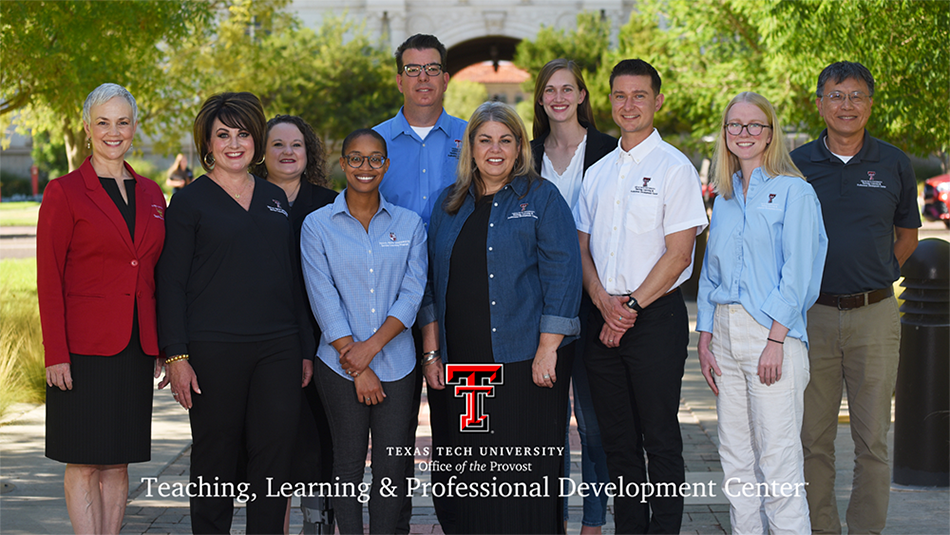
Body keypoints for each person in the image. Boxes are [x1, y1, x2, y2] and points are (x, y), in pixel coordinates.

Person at [421, 101, 582, 535]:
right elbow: (430, 285)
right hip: (464, 370)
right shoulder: (447, 204)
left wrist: (548, 349)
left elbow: (563, 274)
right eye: (485, 139)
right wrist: (432, 354)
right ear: (470, 148)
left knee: (524, 476)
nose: (495, 149)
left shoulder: (541, 198)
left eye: (505, 140)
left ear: (519, 148)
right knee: (468, 478)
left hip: (526, 363)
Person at [157, 92, 309, 534]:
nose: (234, 143)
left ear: (257, 140)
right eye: (223, 134)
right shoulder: (188, 202)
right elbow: (170, 284)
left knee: (274, 458)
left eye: (243, 133)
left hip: (277, 349)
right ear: (207, 142)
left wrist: (302, 347)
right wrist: (176, 355)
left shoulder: (274, 197)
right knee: (214, 460)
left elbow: (291, 278)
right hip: (212, 351)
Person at [575, 59, 708, 534]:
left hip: (653, 320)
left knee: (660, 438)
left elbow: (678, 255)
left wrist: (627, 309)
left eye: (639, 96)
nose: (628, 105)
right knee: (617, 441)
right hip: (602, 317)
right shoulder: (598, 172)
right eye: (619, 96)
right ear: (608, 101)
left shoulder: (675, 168)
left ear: (658, 101)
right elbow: (582, 248)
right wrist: (602, 302)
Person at [791, 61, 920, 535]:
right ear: (819, 102)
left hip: (875, 317)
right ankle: (821, 529)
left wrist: (878, 274)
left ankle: (865, 530)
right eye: (837, 95)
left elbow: (907, 234)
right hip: (811, 318)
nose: (847, 105)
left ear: (870, 103)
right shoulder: (796, 165)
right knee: (812, 440)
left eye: (856, 96)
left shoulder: (893, 163)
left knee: (873, 440)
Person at [37, 83, 166, 535]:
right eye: (104, 122)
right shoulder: (64, 192)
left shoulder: (152, 194)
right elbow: (48, 278)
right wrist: (56, 352)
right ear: (89, 128)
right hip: (82, 349)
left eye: (123, 122)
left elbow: (153, 274)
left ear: (134, 127)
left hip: (134, 346)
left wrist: (162, 346)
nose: (114, 132)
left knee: (118, 459)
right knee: (84, 460)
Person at [696, 92, 828, 534]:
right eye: (735, 125)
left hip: (773, 335)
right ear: (725, 133)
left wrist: (776, 339)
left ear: (771, 133)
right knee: (736, 461)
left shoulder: (796, 192)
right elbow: (711, 272)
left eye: (755, 125)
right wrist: (705, 335)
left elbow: (799, 272)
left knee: (779, 463)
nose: (745, 133)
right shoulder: (727, 197)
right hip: (727, 339)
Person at [300, 128, 426, 535]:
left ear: (386, 165)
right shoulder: (317, 226)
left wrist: (369, 351)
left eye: (374, 159)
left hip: (399, 362)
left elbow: (412, 293)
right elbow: (322, 296)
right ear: (343, 163)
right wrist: (357, 363)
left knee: (392, 464)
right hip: (337, 365)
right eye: (356, 158)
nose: (365, 167)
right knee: (348, 463)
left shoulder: (410, 224)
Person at [372, 33, 468, 534]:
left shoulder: (475, 137)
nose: (423, 78)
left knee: (462, 430)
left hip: (462, 302)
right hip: (393, 306)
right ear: (399, 79)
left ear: (447, 78)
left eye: (432, 69)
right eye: (413, 69)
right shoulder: (375, 143)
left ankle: (462, 522)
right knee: (393, 435)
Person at [529, 58, 615, 535]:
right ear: (541, 99)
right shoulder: (526, 154)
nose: (559, 97)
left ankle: (595, 521)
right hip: (540, 311)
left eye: (568, 88)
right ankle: (553, 518)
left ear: (582, 95)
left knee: (594, 423)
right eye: (550, 90)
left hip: (595, 302)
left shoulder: (608, 150)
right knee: (549, 426)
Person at [251, 114, 338, 535]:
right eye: (278, 145)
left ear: (309, 152)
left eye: (297, 145)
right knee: (274, 441)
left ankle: (318, 520)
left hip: (326, 336)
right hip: (266, 337)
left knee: (320, 435)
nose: (288, 153)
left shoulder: (329, 202)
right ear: (261, 153)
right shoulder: (245, 199)